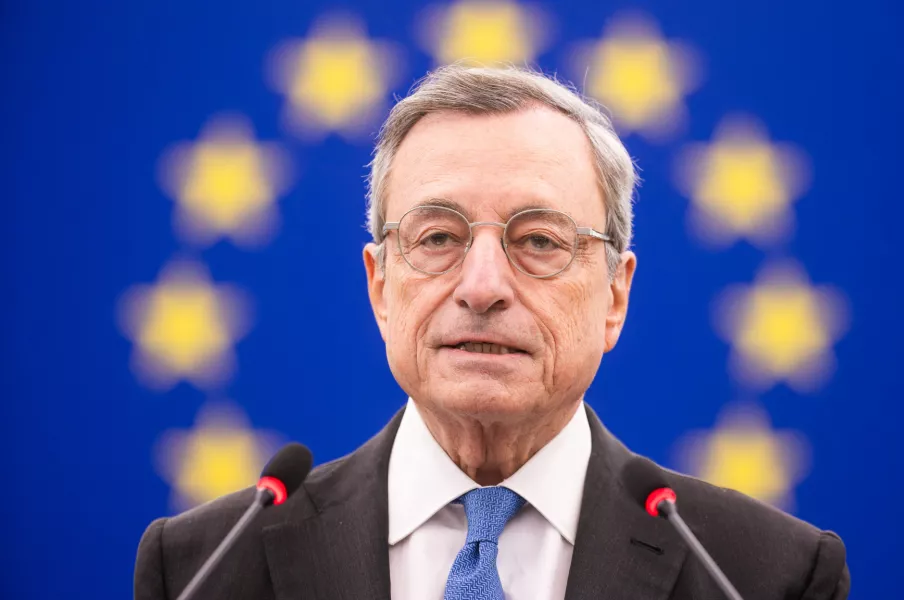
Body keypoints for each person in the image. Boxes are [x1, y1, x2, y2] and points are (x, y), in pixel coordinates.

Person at [134, 65, 850, 600]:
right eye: (438, 236)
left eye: (537, 242)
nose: (481, 287)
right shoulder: (204, 566)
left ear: (614, 295)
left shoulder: (763, 574)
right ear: (380, 286)